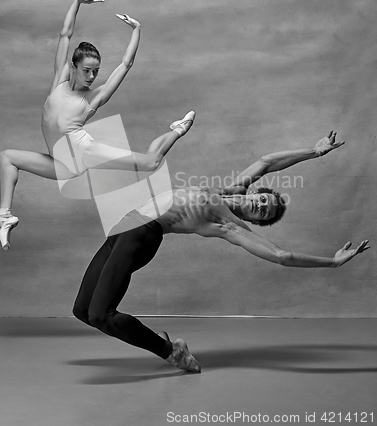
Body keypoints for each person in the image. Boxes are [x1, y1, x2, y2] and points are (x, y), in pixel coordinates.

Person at [72, 131, 370, 373]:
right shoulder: (230, 190)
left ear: (255, 222)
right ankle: (163, 344)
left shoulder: (229, 225)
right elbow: (266, 162)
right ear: (255, 193)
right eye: (264, 201)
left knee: (102, 315)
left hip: (141, 235)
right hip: (123, 227)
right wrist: (314, 152)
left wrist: (331, 263)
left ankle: (171, 351)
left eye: (264, 215)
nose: (261, 207)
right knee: (83, 311)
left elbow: (282, 256)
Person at [0, 0, 195, 250]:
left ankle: (178, 130)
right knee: (7, 158)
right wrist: (77, 3)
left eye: (96, 72)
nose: (91, 76)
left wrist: (137, 30)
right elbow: (65, 34)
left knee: (151, 163)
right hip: (61, 164)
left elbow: (126, 64)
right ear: (73, 67)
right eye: (86, 70)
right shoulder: (59, 80)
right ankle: (5, 218)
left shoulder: (94, 98)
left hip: (83, 153)